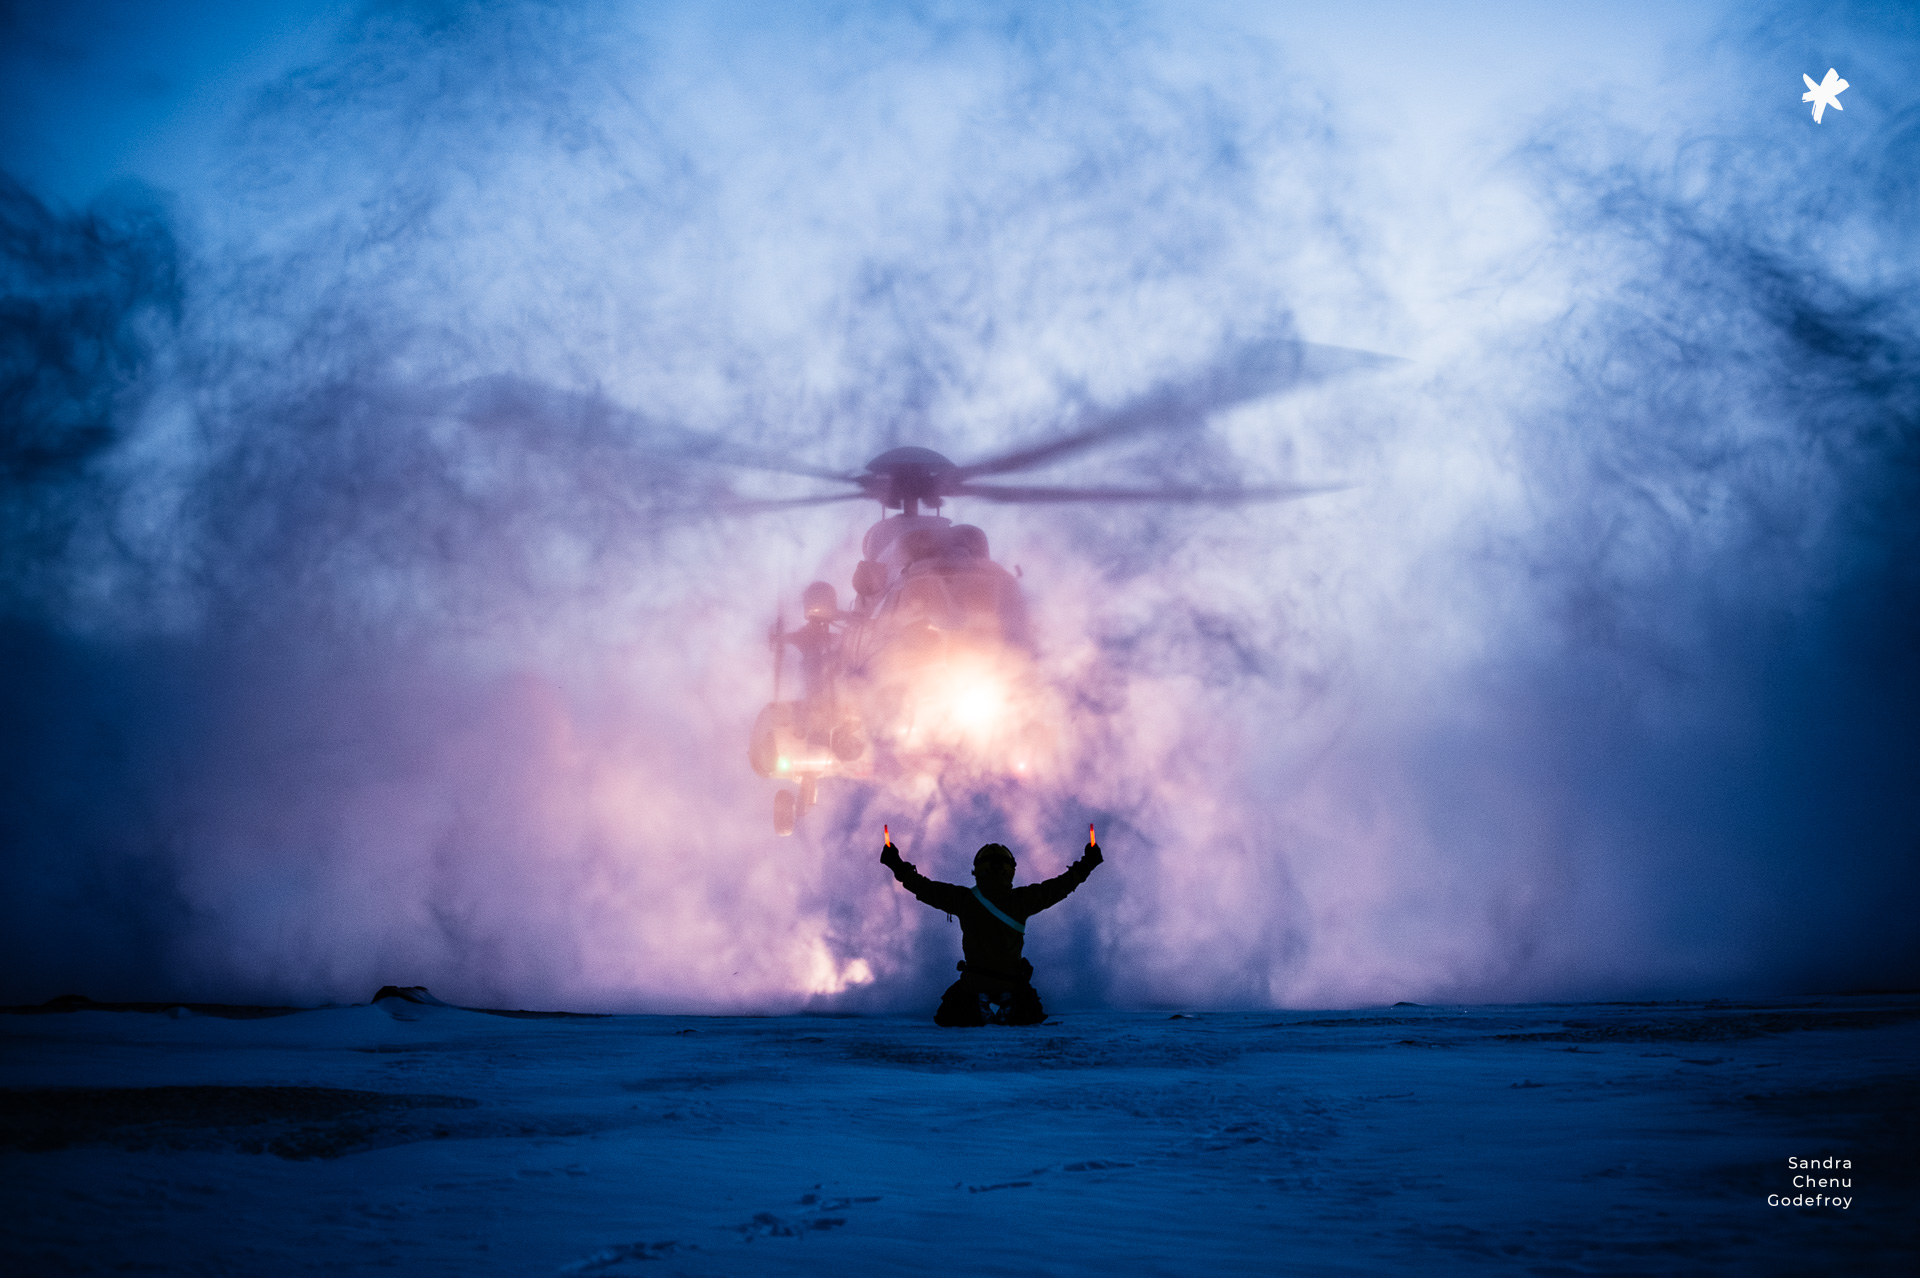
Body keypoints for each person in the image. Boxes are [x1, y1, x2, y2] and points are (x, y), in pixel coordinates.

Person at [880, 830, 1103, 1026]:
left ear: (978, 870)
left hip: (973, 982)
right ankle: (1007, 1005)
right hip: (1013, 982)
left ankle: (980, 1004)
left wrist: (896, 864)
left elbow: (924, 887)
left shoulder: (964, 900)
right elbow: (1060, 886)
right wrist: (1088, 863)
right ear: (1010, 871)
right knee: (1030, 1016)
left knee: (947, 1017)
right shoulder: (1022, 900)